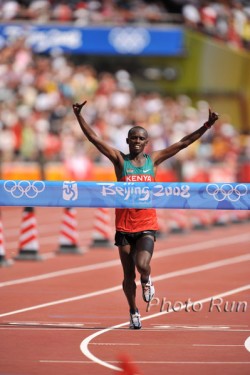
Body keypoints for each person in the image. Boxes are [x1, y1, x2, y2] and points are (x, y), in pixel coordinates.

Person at [72, 100, 219, 329]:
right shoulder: (120, 160)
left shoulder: (154, 160)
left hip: (146, 224)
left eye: (141, 138)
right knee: (127, 276)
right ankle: (133, 311)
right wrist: (79, 116)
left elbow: (183, 143)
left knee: (142, 265)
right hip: (123, 226)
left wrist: (206, 126)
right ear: (128, 140)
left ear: (147, 142)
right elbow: (94, 139)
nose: (137, 142)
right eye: (134, 138)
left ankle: (147, 279)